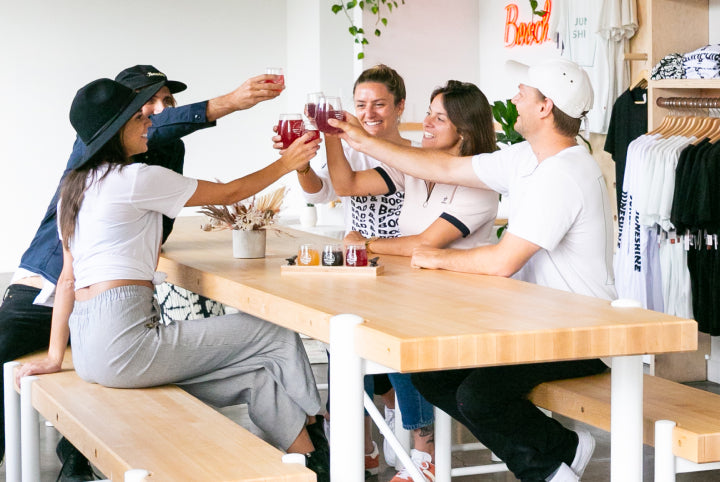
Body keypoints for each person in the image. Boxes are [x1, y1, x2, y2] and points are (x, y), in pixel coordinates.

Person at [15, 78, 329, 480]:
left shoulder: (73, 188)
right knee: (276, 335)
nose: (149, 119)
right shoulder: (135, 179)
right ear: (114, 131)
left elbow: (66, 282)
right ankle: (321, 425)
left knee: (255, 377)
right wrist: (287, 163)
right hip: (125, 342)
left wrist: (56, 356)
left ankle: (314, 465)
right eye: (138, 115)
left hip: (91, 348)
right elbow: (231, 192)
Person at [330, 58, 616, 481]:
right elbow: (440, 166)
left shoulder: (565, 175)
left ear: (545, 108)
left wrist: (435, 256)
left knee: (479, 397)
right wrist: (355, 136)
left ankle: (550, 470)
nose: (514, 98)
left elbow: (503, 262)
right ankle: (562, 448)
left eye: (525, 92)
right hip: (535, 321)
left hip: (577, 331)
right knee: (431, 373)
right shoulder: (525, 158)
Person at [335, 80, 499, 257]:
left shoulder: (478, 185)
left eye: (440, 118)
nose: (426, 122)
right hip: (416, 279)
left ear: (464, 132)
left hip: (461, 284)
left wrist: (364, 244)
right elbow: (347, 185)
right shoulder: (413, 167)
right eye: (428, 113)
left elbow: (424, 243)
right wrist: (332, 133)